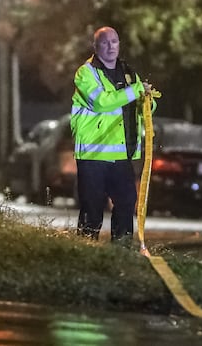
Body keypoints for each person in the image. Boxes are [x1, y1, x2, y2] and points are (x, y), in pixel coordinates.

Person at [71, 26, 155, 244]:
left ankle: (122, 252)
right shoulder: (85, 73)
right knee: (92, 208)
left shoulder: (128, 72)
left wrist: (148, 100)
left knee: (126, 203)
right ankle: (85, 253)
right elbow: (102, 103)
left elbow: (139, 106)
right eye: (105, 42)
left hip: (121, 154)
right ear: (95, 46)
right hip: (93, 155)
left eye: (114, 42)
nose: (110, 47)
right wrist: (135, 90)